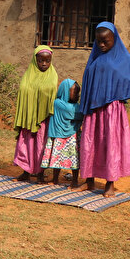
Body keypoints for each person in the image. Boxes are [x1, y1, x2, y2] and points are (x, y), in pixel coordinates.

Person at [75, 22, 130, 197]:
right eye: (99, 41)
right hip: (94, 111)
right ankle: (89, 180)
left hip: (111, 110)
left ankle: (110, 183)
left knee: (109, 144)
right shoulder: (95, 58)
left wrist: (113, 99)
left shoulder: (123, 59)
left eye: (106, 41)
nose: (102, 45)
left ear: (114, 39)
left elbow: (126, 82)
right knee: (90, 143)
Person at [13, 45, 59, 183]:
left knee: (41, 145)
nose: (44, 64)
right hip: (28, 118)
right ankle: (26, 172)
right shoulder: (28, 76)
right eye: (40, 61)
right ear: (35, 60)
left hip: (43, 120)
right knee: (27, 144)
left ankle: (40, 174)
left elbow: (51, 96)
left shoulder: (52, 76)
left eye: (47, 61)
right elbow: (23, 92)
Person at [39, 79, 82, 186]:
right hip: (60, 135)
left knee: (74, 159)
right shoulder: (58, 103)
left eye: (78, 93)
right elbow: (75, 113)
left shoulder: (73, 105)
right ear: (66, 92)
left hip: (72, 135)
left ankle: (75, 180)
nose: (78, 95)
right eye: (75, 92)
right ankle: (55, 179)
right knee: (57, 158)